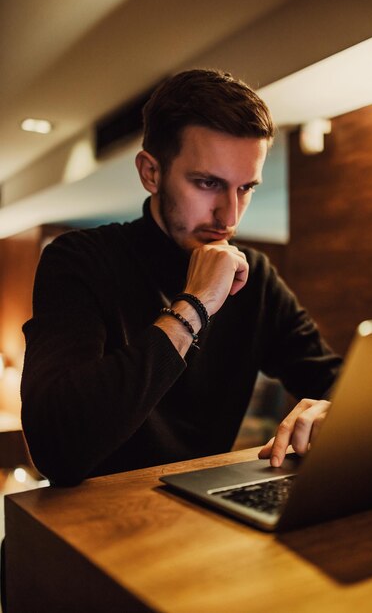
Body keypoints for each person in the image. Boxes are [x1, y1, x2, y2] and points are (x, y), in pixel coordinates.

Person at [21, 69, 342, 486]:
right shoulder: (80, 259)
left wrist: (335, 408)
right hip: (87, 522)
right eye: (208, 183)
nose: (229, 216)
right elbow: (56, 450)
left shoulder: (255, 276)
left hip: (197, 518)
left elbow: (337, 382)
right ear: (151, 173)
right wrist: (195, 304)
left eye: (246, 188)